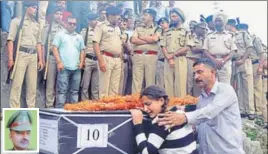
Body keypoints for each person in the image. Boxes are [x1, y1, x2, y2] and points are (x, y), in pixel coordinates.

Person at [157, 58, 245, 154]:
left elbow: (209, 112)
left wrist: (184, 117)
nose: (196, 77)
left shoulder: (226, 90)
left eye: (200, 72)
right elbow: (201, 123)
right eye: (194, 74)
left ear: (212, 72)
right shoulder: (201, 99)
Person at [130, 85, 197, 154]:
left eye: (148, 104)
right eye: (143, 106)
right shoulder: (180, 113)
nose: (145, 109)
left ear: (161, 100)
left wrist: (138, 124)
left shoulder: (161, 122)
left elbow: (146, 152)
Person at [7, 1, 44, 108]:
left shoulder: (36, 24)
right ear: (26, 7)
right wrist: (10, 58)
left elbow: (39, 43)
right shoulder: (17, 21)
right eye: (33, 7)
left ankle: (31, 111)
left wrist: (40, 59)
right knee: (17, 85)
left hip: (33, 56)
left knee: (32, 87)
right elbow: (10, 40)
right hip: (21, 54)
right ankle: (14, 111)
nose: (35, 9)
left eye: (36, 8)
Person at [52, 16, 85, 108]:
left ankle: (72, 112)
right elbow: (54, 48)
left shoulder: (79, 37)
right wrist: (59, 62)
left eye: (74, 24)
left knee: (75, 91)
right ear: (66, 24)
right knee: (62, 91)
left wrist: (81, 62)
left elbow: (82, 50)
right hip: (64, 67)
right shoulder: (60, 35)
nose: (72, 25)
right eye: (70, 23)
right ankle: (59, 112)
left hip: (76, 68)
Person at [160, 8, 193, 97]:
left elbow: (188, 47)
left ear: (180, 18)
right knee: (168, 83)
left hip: (180, 59)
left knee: (180, 84)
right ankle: (170, 105)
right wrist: (169, 58)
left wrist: (173, 55)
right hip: (168, 60)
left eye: (174, 16)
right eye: (171, 16)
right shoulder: (167, 32)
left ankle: (180, 106)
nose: (172, 18)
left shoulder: (186, 32)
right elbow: (163, 45)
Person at [93, 6, 123, 98]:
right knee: (104, 89)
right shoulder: (101, 26)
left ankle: (112, 110)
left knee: (114, 89)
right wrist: (101, 61)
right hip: (106, 57)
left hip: (117, 59)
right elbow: (95, 43)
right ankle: (103, 111)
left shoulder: (118, 28)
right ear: (109, 15)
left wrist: (120, 60)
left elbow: (120, 44)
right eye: (116, 15)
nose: (118, 17)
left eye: (118, 15)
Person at [130, 8, 162, 94]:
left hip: (151, 56)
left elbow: (155, 39)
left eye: (145, 15)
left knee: (150, 80)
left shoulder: (157, 28)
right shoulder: (138, 28)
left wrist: (140, 38)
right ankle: (135, 100)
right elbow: (133, 40)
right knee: (137, 80)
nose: (143, 17)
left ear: (152, 17)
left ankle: (150, 100)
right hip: (138, 56)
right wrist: (149, 39)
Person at [228, 20, 255, 119]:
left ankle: (250, 110)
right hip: (235, 62)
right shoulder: (230, 36)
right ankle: (242, 109)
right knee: (238, 86)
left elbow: (249, 47)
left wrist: (243, 60)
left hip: (245, 61)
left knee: (248, 86)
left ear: (230, 25)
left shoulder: (243, 34)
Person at [203, 12, 237, 84]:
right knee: (212, 85)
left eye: (220, 21)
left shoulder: (230, 35)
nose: (217, 23)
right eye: (216, 21)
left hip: (225, 63)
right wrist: (214, 60)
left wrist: (223, 61)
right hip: (211, 63)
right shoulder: (209, 35)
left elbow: (233, 51)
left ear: (224, 22)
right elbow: (205, 50)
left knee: (225, 86)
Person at [42, 7, 65, 108]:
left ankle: (58, 106)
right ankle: (49, 105)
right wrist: (42, 59)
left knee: (60, 83)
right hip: (51, 58)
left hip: (62, 59)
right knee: (50, 83)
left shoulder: (64, 29)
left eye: (61, 14)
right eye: (57, 13)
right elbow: (42, 44)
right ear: (54, 15)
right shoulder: (48, 27)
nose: (59, 16)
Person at [80, 14, 99, 100]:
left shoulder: (99, 31)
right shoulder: (85, 31)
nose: (95, 21)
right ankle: (84, 103)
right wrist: (82, 60)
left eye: (96, 19)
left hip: (97, 60)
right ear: (89, 21)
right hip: (88, 59)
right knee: (85, 85)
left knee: (96, 86)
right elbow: (82, 47)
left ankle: (95, 104)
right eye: (93, 19)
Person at [187, 22, 207, 97]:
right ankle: (188, 100)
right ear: (197, 29)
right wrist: (204, 50)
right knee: (189, 83)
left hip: (199, 63)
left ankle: (196, 100)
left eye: (205, 29)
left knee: (198, 82)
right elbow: (193, 49)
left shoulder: (203, 39)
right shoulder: (191, 36)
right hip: (191, 61)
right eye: (202, 29)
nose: (204, 31)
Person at [156, 17, 169, 89]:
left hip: (169, 60)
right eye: (160, 23)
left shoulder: (172, 34)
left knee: (169, 82)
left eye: (163, 23)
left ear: (168, 23)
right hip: (160, 60)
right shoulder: (158, 35)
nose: (161, 24)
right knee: (160, 82)